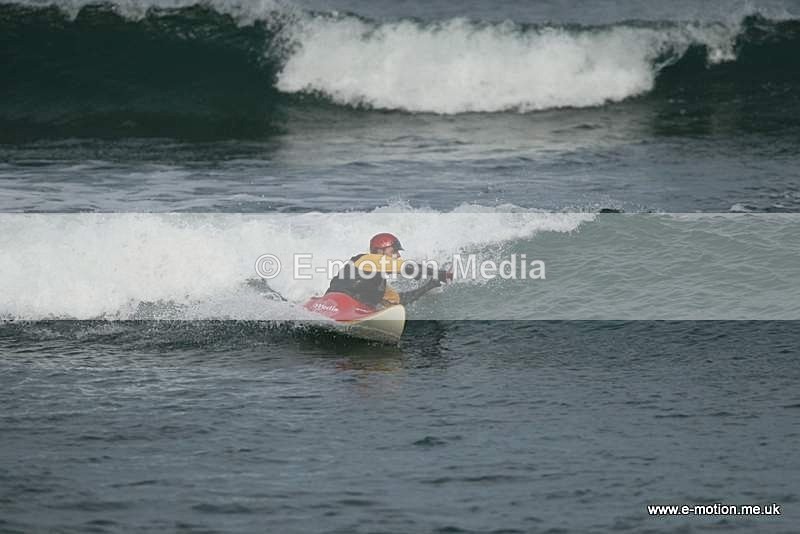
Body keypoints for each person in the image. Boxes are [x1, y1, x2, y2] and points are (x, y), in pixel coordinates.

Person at [326, 232, 451, 308]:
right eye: (394, 251)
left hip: (351, 309)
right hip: (333, 302)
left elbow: (399, 301)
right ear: (380, 251)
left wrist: (430, 285)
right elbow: (407, 267)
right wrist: (440, 273)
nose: (398, 255)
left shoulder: (379, 284)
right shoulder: (368, 259)